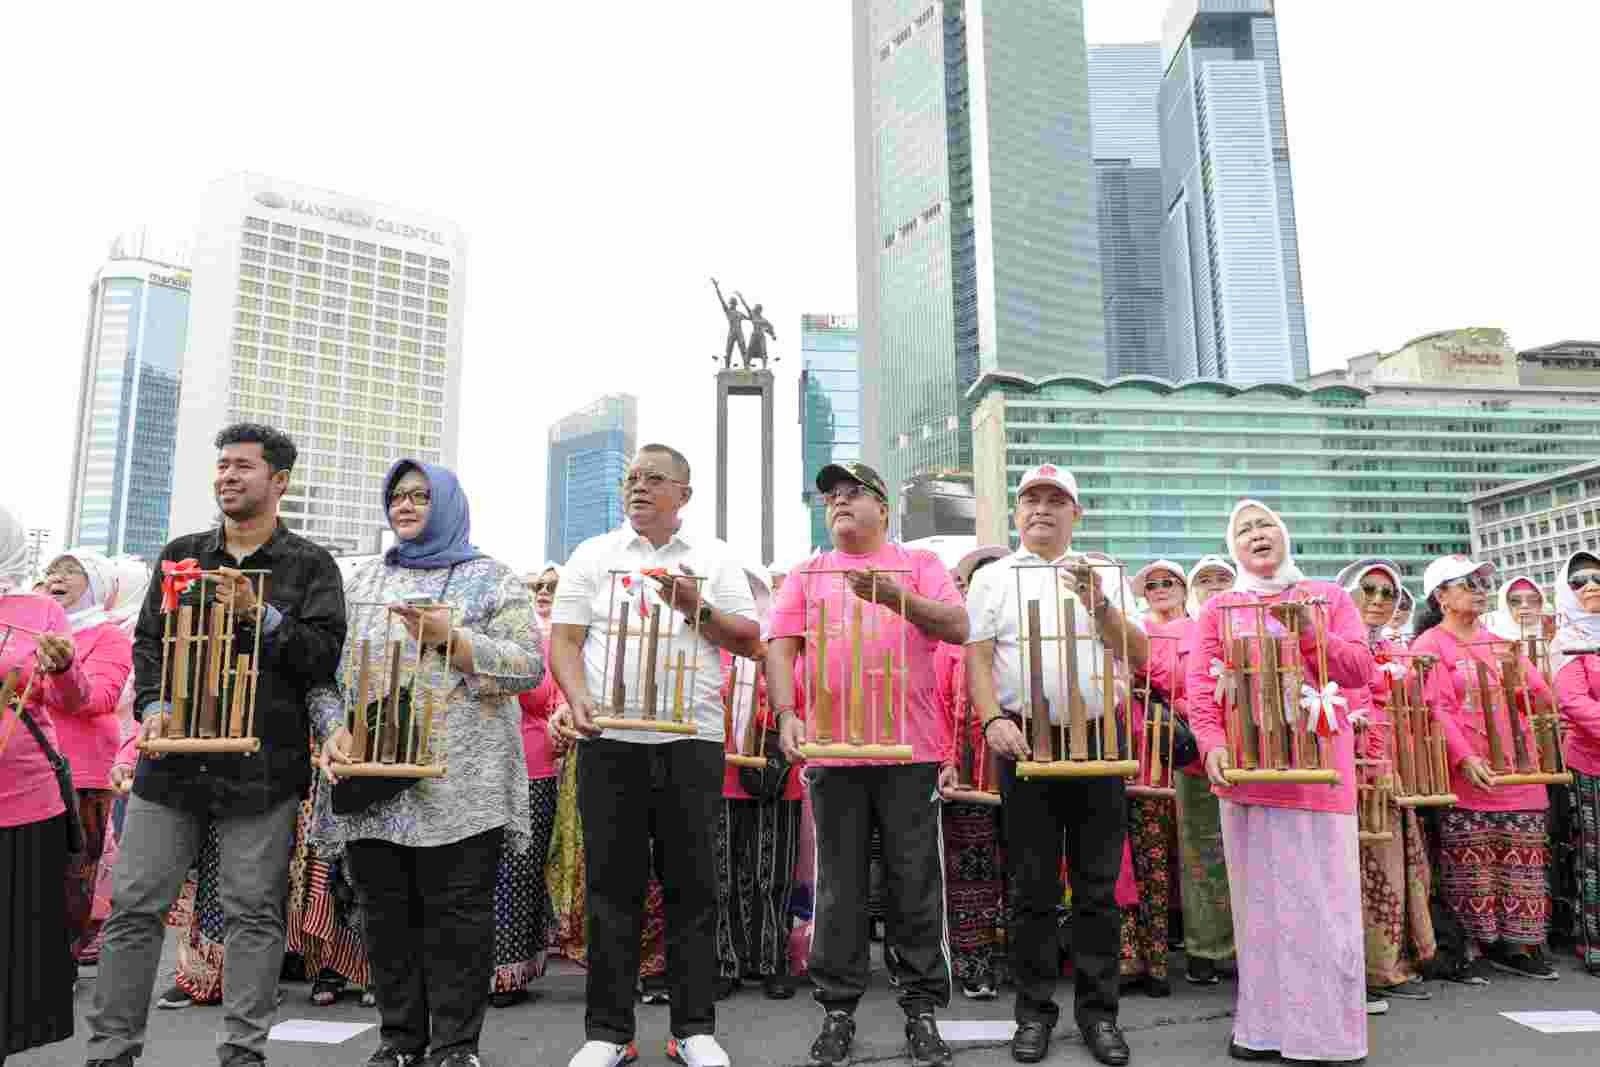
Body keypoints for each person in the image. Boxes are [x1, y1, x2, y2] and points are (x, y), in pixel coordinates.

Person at [85, 423, 347, 1067]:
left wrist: (262, 615)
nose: (228, 476)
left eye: (243, 467)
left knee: (253, 910)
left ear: (278, 482)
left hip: (263, 764)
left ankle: (243, 1050)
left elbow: (322, 658)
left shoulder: (310, 564)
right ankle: (113, 1049)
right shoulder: (184, 554)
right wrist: (152, 706)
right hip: (171, 764)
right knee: (135, 905)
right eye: (223, 465)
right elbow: (149, 642)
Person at [317, 459, 540, 1067]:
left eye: (419, 496)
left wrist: (455, 641)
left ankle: (456, 1046)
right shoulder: (359, 582)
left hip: (464, 785)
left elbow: (528, 666)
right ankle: (398, 1043)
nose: (406, 506)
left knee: (459, 919)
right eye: (396, 496)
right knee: (384, 916)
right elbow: (324, 677)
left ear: (447, 503)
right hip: (375, 779)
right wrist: (334, 728)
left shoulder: (492, 579)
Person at [549, 443, 759, 1067]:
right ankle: (609, 1033)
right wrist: (577, 695)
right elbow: (564, 640)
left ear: (683, 496)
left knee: (693, 887)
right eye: (632, 479)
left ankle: (692, 1028)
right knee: (612, 888)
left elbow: (749, 640)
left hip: (690, 741)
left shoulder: (714, 559)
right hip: (610, 742)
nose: (638, 488)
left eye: (654, 479)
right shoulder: (594, 555)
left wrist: (696, 605)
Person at [769, 461, 968, 1067]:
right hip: (833, 750)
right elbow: (780, 645)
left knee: (914, 880)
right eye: (830, 496)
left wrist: (898, 598)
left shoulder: (922, 566)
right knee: (838, 885)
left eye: (852, 493)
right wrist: (785, 714)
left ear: (884, 507)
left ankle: (922, 1009)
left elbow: (959, 626)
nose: (838, 503)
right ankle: (837, 1009)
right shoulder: (807, 572)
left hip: (911, 751)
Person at [966, 464, 1147, 1067]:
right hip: (1025, 740)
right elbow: (980, 660)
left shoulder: (1105, 573)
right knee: (1032, 887)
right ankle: (1034, 1014)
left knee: (1097, 888)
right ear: (1017, 513)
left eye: (1056, 500)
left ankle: (1100, 1016)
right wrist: (994, 721)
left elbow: (1139, 655)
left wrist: (1099, 603)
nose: (1042, 509)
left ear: (1076, 513)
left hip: (1098, 739)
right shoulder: (992, 578)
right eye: (1031, 500)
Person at [1185, 499, 1373, 1064]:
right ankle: (1263, 1029)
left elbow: (1359, 670)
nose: (1257, 535)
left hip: (1317, 778)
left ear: (1285, 535)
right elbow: (1199, 686)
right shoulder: (1220, 607)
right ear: (1233, 545)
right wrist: (1213, 745)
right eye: (1244, 529)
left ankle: (1329, 1037)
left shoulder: (1328, 598)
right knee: (1260, 910)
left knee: (1323, 906)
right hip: (1248, 778)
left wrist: (1311, 632)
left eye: (1266, 524)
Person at [1410, 555, 1559, 981]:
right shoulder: (1430, 646)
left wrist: (1534, 670)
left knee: (1524, 862)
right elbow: (1434, 708)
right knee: (1469, 864)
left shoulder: (1499, 642)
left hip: (1518, 772)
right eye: (1467, 582)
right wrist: (1464, 755)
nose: (1478, 588)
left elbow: (1538, 696)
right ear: (1440, 596)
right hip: (1468, 774)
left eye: (1481, 581)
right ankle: (1470, 945)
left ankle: (1519, 944)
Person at [1, 505, 90, 1066]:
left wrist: (61, 670)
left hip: (24, 805)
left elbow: (77, 702)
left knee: (12, 950)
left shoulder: (39, 612)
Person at [1336, 558, 1436, 1005]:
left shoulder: (1400, 651)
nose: (1377, 600)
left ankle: (1383, 965)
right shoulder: (1328, 644)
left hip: (1388, 773)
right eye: (1368, 590)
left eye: (1387, 594)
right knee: (1346, 874)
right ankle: (1347, 972)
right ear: (1348, 593)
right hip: (1340, 774)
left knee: (1390, 869)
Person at [39, 549, 134, 965]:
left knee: (74, 874)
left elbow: (100, 697)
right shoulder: (32, 628)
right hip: (26, 766)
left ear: (94, 584)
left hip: (82, 773)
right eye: (51, 570)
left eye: (69, 571)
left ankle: (61, 961)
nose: (54, 577)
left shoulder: (107, 636)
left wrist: (57, 673)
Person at [715, 571, 803, 1002]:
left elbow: (800, 698)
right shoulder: (714, 651)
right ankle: (726, 961)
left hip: (779, 773)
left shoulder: (785, 650)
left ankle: (772, 961)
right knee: (725, 873)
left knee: (774, 876)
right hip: (725, 774)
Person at [491, 565, 567, 1008]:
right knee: (477, 874)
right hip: (481, 769)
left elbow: (551, 700)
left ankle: (511, 971)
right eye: (535, 586)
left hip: (533, 766)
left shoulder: (548, 644)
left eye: (550, 588)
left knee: (519, 871)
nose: (541, 593)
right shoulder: (473, 640)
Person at [940, 547, 1009, 1001]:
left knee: (1026, 867)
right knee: (971, 871)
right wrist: (946, 759)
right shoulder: (949, 643)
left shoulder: (1023, 635)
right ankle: (975, 965)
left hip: (1026, 762)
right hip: (967, 769)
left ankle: (1028, 961)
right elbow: (938, 708)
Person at [1169, 556, 1236, 986]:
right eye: (1204, 580)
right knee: (1201, 854)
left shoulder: (1255, 624)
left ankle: (1248, 946)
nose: (1214, 586)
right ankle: (1203, 949)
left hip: (1254, 760)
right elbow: (1160, 681)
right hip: (1196, 760)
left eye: (1222, 578)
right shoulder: (1180, 631)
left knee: (1246, 856)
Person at [1550, 550, 1600, 974]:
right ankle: (1595, 944)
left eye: (1596, 578)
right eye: (1578, 581)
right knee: (1595, 855)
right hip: (1591, 762)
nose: (1590, 586)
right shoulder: (1567, 638)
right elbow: (1573, 702)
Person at [1485, 576, 1550, 642]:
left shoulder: (1554, 631)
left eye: (1532, 600)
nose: (1524, 605)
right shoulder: (1492, 635)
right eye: (1515, 601)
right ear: (1505, 605)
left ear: (1541, 603)